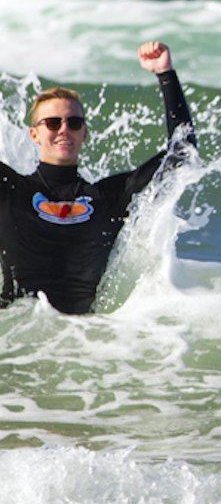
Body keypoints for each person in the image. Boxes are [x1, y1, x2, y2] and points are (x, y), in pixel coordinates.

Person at [0, 41, 196, 315]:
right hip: (15, 327)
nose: (64, 130)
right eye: (53, 123)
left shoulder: (108, 197)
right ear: (34, 134)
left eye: (74, 123)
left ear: (85, 134)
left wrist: (165, 74)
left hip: (82, 336)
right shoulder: (11, 190)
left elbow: (183, 151)